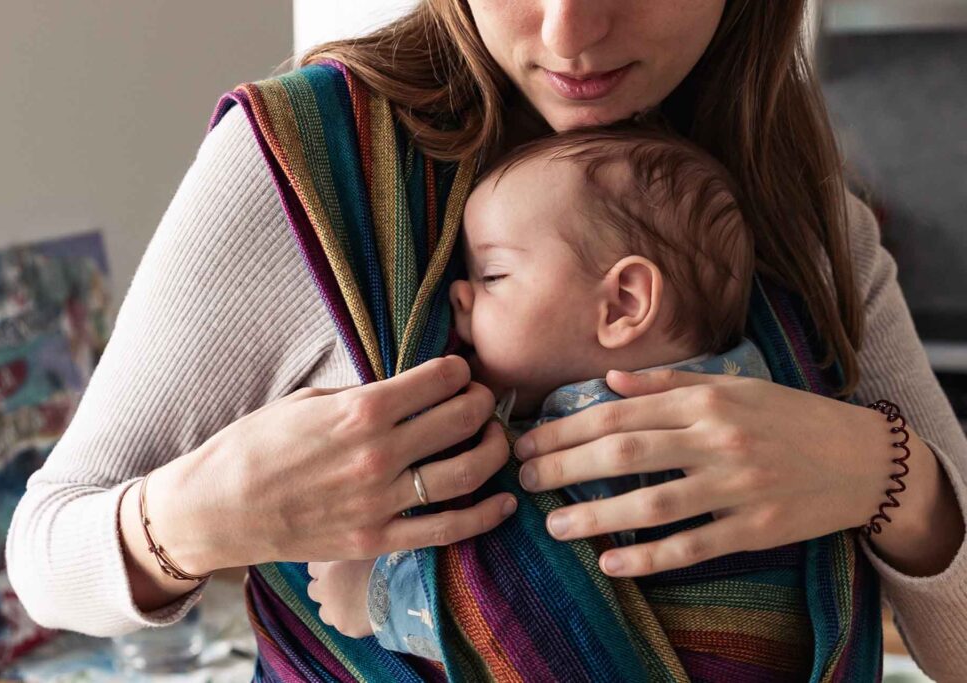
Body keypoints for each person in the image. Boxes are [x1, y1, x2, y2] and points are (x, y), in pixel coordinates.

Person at [4, 0, 967, 678]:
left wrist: (880, 470)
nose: (569, 31)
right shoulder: (306, 174)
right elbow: (44, 556)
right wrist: (198, 515)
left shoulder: (799, 212)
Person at [304, 125, 780, 656]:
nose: (459, 294)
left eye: (494, 274)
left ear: (623, 304)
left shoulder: (629, 443)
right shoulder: (756, 397)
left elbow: (530, 606)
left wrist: (378, 597)